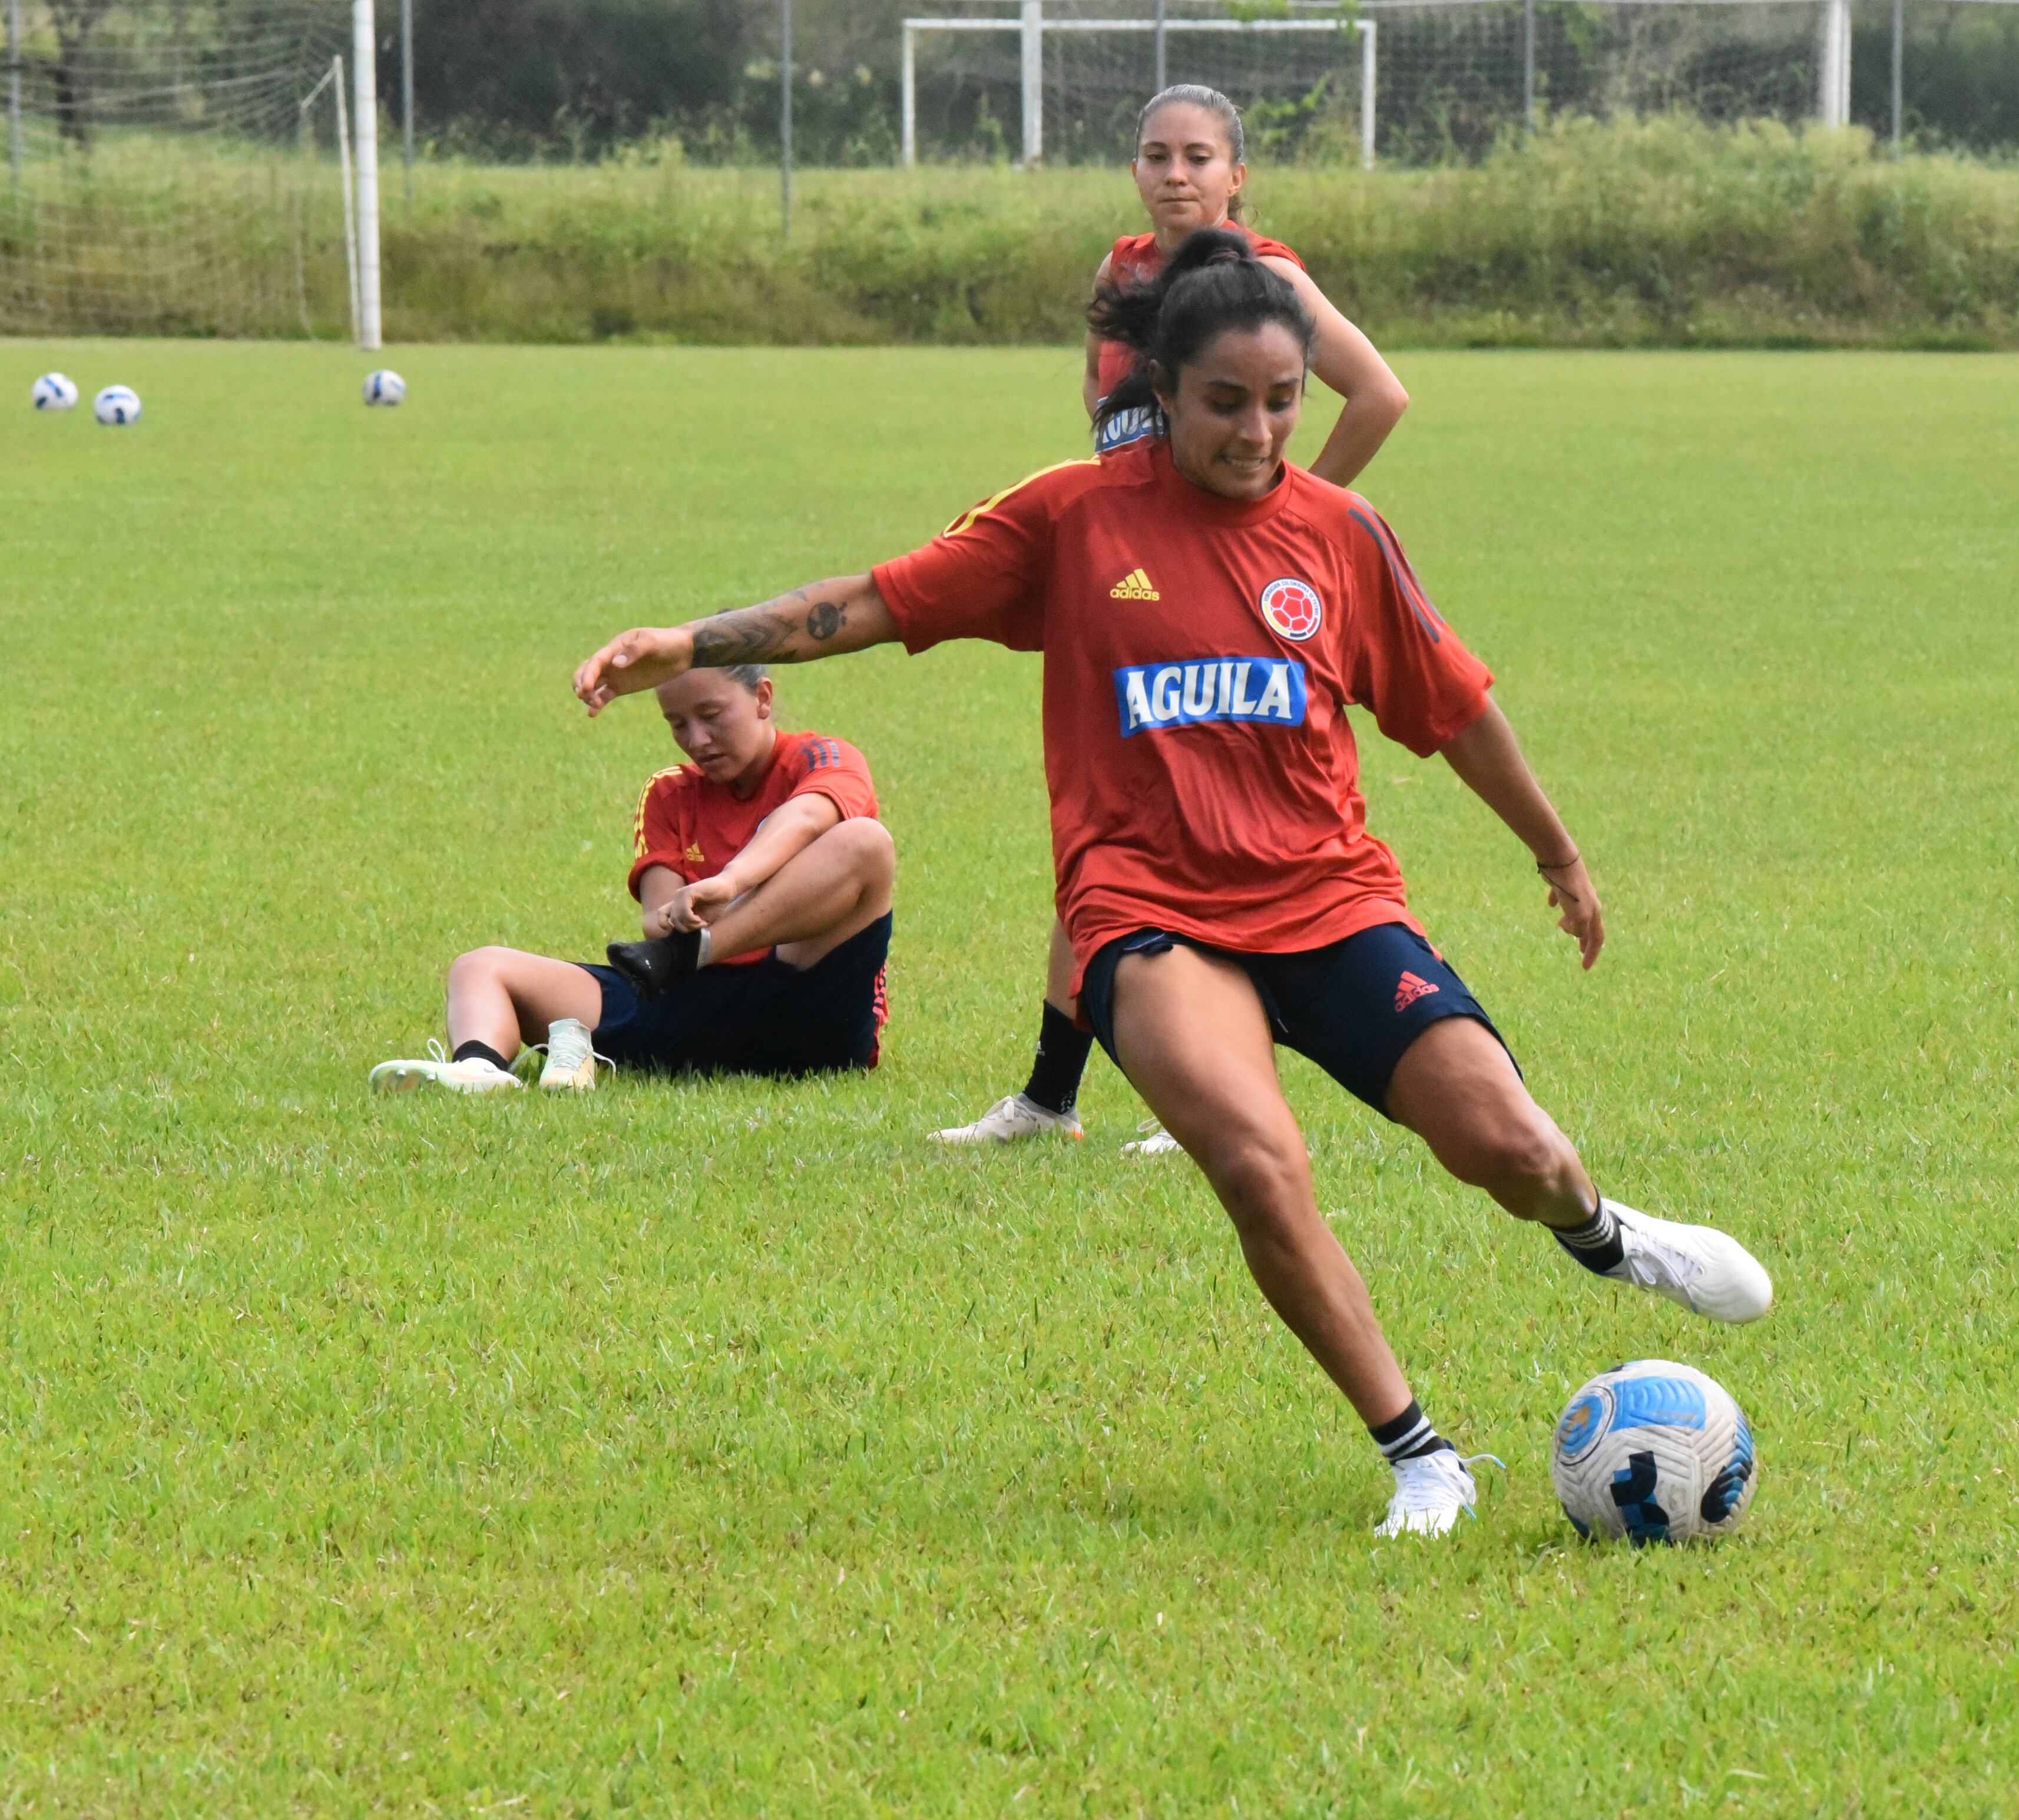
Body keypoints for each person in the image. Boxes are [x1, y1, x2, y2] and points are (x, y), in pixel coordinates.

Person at [569, 231, 1770, 1538]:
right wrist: (690, 641)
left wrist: (1557, 852)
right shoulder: (1073, 517)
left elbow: (1456, 706)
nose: (1258, 433)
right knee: (1258, 1161)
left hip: (1329, 899)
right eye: (1225, 402)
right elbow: (867, 601)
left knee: (1511, 1147)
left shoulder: (1343, 534)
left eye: (1283, 402)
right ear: (1163, 385)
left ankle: (1605, 1236)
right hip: (1145, 911)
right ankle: (1423, 1459)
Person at [935, 82, 1411, 1154]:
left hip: (1231, 597)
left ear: (1237, 175)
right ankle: (1050, 1099)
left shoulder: (1267, 279)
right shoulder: (1121, 272)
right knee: (1108, 837)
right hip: (1132, 595)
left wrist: (1291, 519)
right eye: (1158, 155)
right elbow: (1101, 403)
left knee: (1230, 839)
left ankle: (1220, 1087)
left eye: (1200, 157)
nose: (1177, 173)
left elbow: (1380, 394)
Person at [370, 666, 895, 1093]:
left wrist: (730, 884)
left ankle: (700, 951)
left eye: (712, 715)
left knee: (866, 842)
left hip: (805, 1013)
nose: (697, 739)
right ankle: (479, 1072)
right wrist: (682, 921)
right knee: (480, 966)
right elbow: (657, 927)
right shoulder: (669, 792)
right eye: (677, 723)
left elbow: (809, 816)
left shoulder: (823, 758)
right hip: (689, 1007)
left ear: (762, 697)